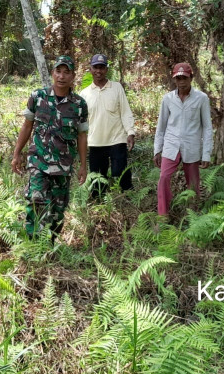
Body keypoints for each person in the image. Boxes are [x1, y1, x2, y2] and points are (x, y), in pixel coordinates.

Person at [11, 55, 88, 240]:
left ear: (73, 76)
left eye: (66, 72)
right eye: (58, 71)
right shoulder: (38, 97)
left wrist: (83, 165)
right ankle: (33, 244)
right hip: (39, 160)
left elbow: (82, 135)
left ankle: (50, 244)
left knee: (58, 208)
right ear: (53, 73)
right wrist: (17, 154)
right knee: (36, 201)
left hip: (63, 164)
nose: (61, 76)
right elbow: (27, 126)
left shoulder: (79, 105)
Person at [153, 63, 213, 216]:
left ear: (191, 78)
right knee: (164, 178)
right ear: (174, 80)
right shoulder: (168, 99)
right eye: (178, 78)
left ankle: (193, 216)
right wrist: (157, 150)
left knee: (193, 184)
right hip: (171, 145)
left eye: (185, 78)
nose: (182, 82)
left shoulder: (201, 98)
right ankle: (163, 215)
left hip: (191, 146)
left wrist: (206, 154)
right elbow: (161, 127)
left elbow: (207, 127)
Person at [79, 54, 135, 196]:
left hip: (117, 139)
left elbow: (125, 111)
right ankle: (99, 205)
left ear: (106, 69)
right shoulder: (84, 94)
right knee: (98, 181)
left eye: (102, 67)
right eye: (95, 67)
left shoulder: (116, 88)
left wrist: (130, 132)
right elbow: (82, 122)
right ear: (90, 69)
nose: (99, 71)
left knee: (120, 172)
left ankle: (129, 197)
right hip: (95, 141)